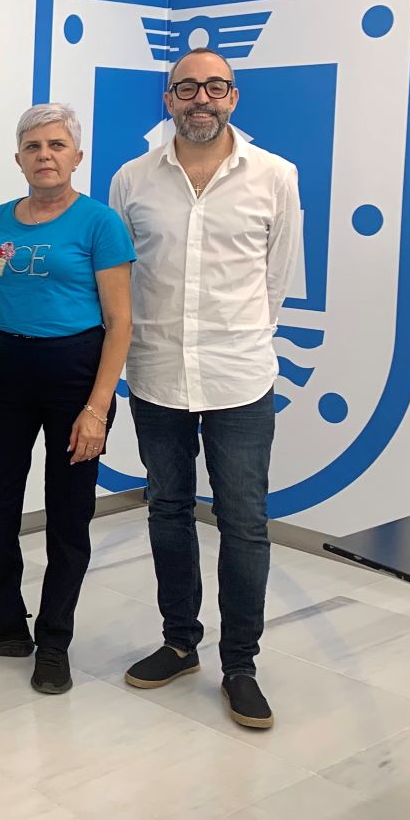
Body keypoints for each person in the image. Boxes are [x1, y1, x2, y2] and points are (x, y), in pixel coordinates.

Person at [109, 47, 301, 730]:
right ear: (168, 100)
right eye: (186, 87)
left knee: (244, 523)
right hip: (158, 372)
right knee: (167, 511)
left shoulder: (276, 177)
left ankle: (240, 665)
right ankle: (179, 642)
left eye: (214, 87)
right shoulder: (131, 180)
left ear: (234, 97)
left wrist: (241, 337)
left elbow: (275, 279)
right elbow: (121, 280)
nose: (201, 99)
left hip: (239, 377)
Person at [0, 104, 133, 695]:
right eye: (33, 147)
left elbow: (120, 323)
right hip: (8, 377)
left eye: (56, 145)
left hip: (75, 378)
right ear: (18, 157)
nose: (44, 155)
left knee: (67, 515)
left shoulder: (100, 224)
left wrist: (97, 408)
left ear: (76, 156)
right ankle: (0, 622)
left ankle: (54, 640)